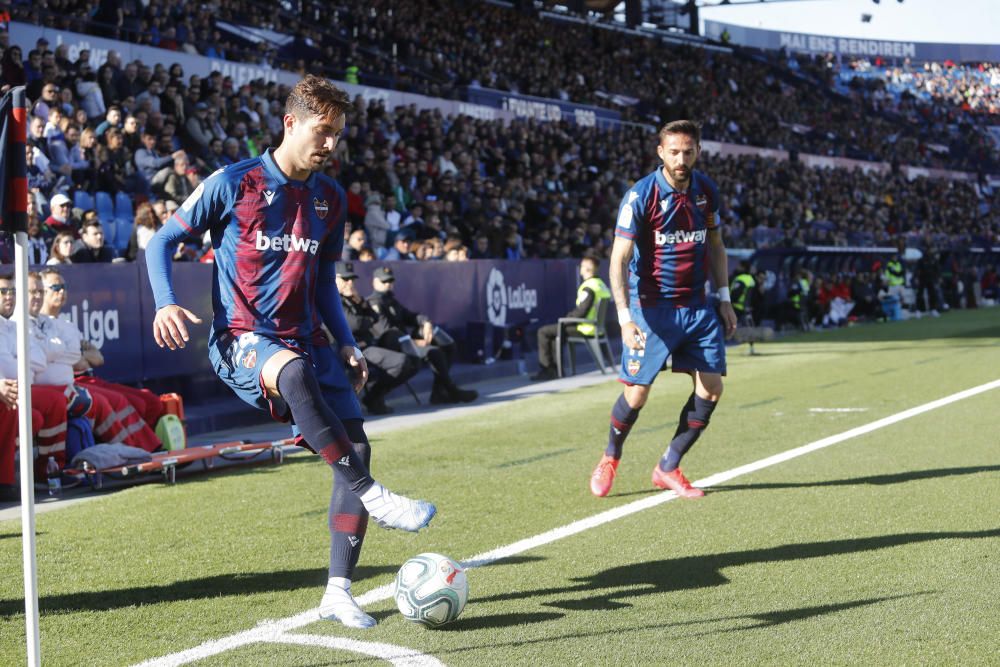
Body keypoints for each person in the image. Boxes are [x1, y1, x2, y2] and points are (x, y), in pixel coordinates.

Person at [145, 75, 436, 630]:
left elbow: (325, 281)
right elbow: (162, 242)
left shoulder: (329, 198)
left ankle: (337, 591)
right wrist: (164, 303)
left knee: (357, 448)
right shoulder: (234, 182)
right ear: (289, 122)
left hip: (310, 340)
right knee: (296, 377)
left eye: (337, 134)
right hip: (242, 338)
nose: (329, 143)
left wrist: (348, 344)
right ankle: (374, 497)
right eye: (322, 130)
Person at [589, 120, 736, 499]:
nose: (681, 159)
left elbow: (716, 245)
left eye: (688, 152)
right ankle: (610, 456)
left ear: (698, 151)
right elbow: (618, 260)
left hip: (697, 306)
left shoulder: (706, 191)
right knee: (637, 393)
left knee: (712, 389)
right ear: (661, 153)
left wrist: (724, 297)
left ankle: (668, 466)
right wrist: (624, 319)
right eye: (674, 152)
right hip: (651, 308)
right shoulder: (641, 196)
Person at [367, 266, 477, 404]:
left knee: (447, 345)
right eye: (384, 282)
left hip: (406, 342)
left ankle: (440, 392)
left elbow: (412, 316)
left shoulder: (391, 301)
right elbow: (387, 332)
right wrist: (413, 342)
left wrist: (426, 323)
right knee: (434, 352)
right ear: (375, 282)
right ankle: (450, 389)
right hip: (392, 347)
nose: (388, 284)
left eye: (390, 281)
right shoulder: (374, 303)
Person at [336, 261, 419, 415]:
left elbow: (374, 317)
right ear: (335, 279)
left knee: (413, 362)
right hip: (351, 350)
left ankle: (374, 396)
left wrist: (360, 302)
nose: (350, 283)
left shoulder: (354, 298)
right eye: (345, 279)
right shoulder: (334, 299)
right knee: (401, 362)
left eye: (352, 279)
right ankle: (374, 397)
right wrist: (366, 321)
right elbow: (355, 324)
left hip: (366, 346)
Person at [531, 256, 610, 381]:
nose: (580, 269)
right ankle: (555, 370)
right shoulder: (601, 285)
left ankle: (548, 370)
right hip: (596, 327)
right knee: (555, 331)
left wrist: (566, 319)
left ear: (588, 269)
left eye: (582, 266)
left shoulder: (589, 287)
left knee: (543, 331)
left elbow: (581, 312)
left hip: (585, 327)